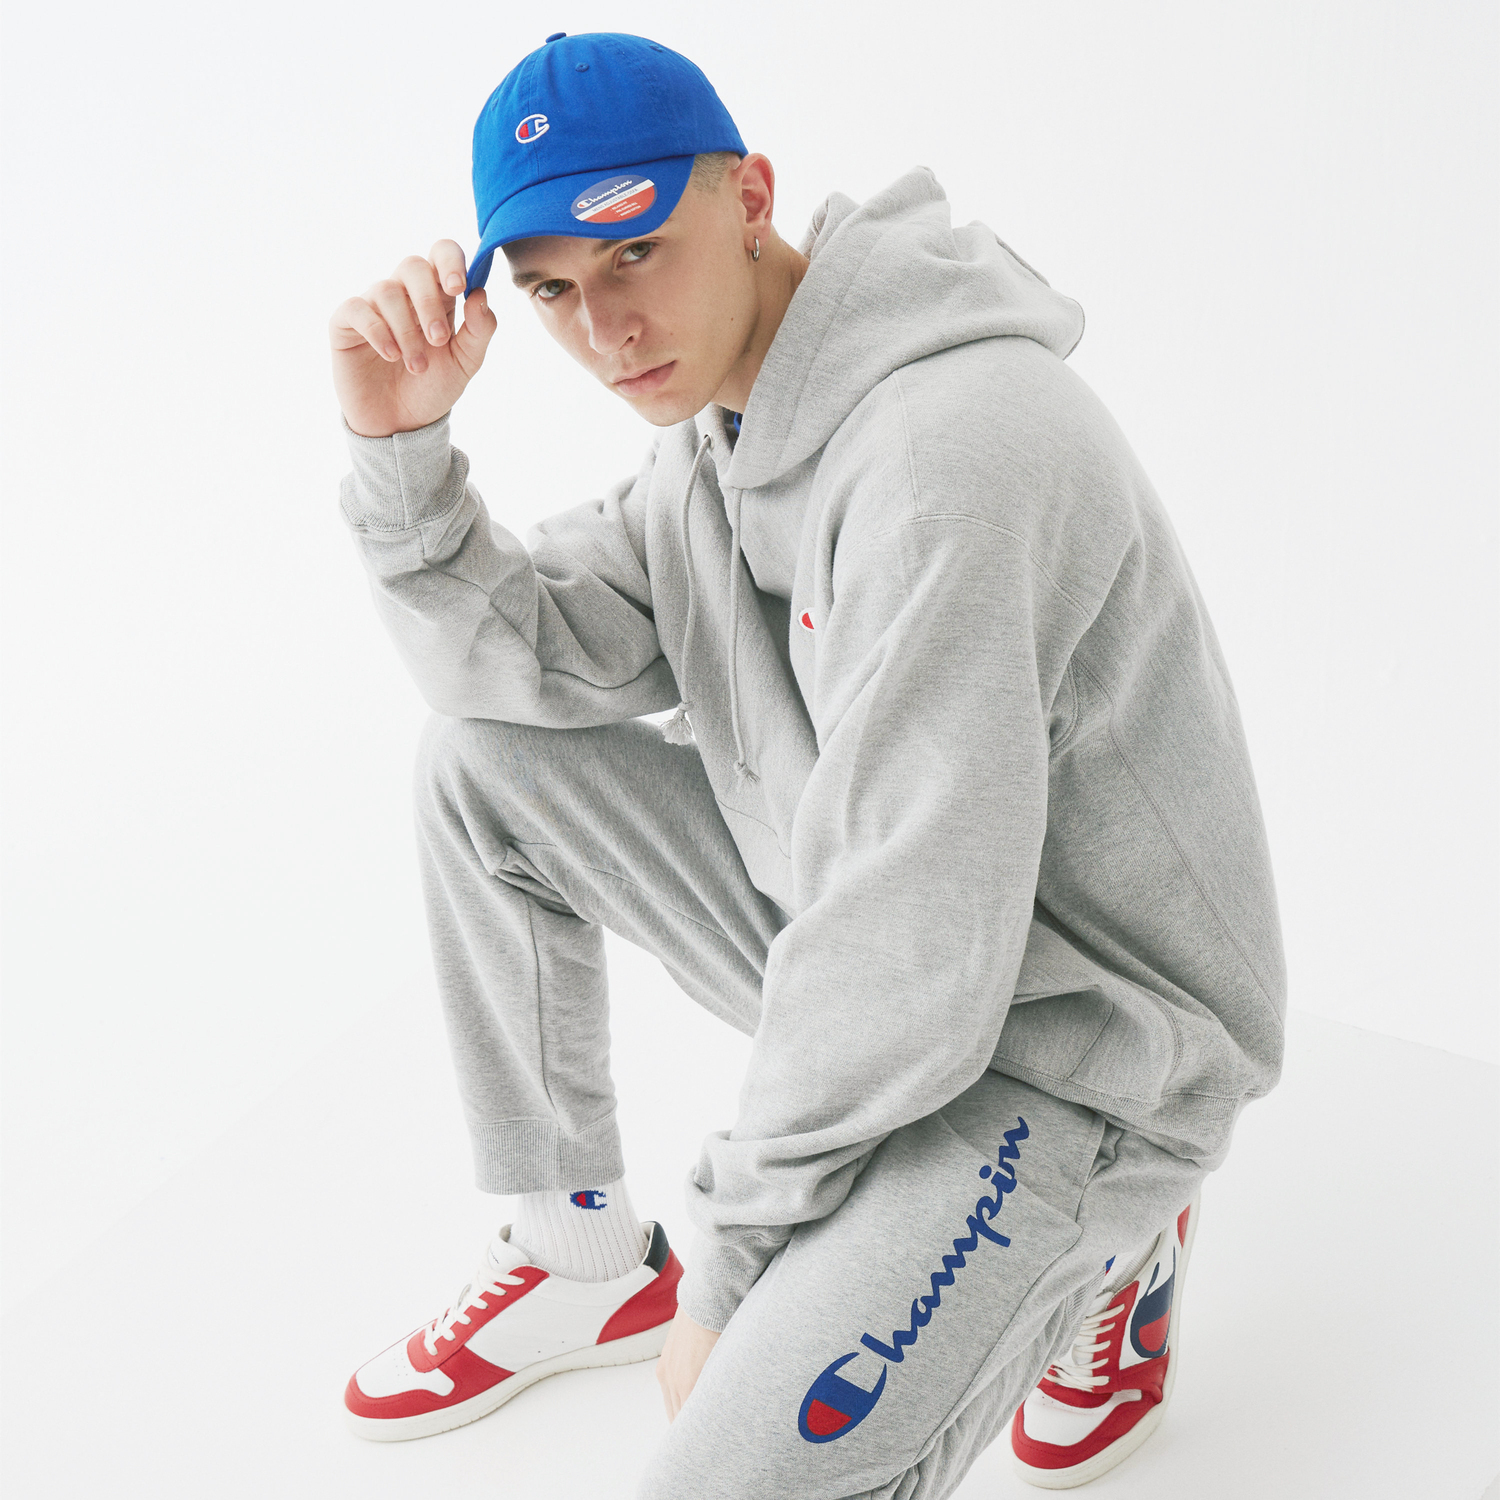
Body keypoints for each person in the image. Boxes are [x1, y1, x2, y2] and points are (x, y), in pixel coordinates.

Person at [327, 30, 1286, 1498]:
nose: (607, 330)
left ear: (752, 196)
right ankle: (582, 1257)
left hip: (1080, 1050)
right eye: (555, 292)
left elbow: (913, 945)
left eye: (635, 252)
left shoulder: (943, 460)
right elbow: (516, 659)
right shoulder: (717, 439)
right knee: (481, 767)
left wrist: (735, 1261)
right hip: (901, 949)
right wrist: (402, 458)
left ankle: (1111, 1236)